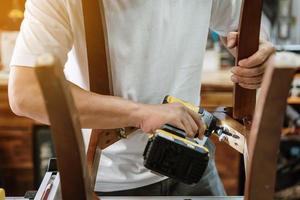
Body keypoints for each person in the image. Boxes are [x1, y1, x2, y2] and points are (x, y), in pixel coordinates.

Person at [8, 0, 275, 196]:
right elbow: (26, 93)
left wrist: (259, 49)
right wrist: (141, 113)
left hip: (192, 163)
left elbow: (245, 21)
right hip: (106, 181)